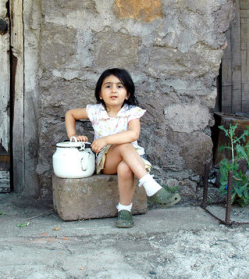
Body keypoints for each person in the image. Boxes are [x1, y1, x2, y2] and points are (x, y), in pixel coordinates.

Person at [64, 68, 180, 228]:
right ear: (100, 94)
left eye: (119, 86)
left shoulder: (132, 113)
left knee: (125, 167)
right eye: (108, 86)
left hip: (133, 159)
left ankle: (125, 210)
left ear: (127, 94)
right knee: (123, 145)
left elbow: (133, 134)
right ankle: (150, 185)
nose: (113, 90)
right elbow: (70, 114)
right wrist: (73, 136)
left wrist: (106, 139)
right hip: (106, 161)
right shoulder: (95, 111)